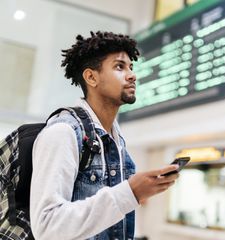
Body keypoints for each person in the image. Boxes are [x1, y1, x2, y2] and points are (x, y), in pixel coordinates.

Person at [30, 31, 179, 240]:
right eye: (119, 67)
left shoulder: (116, 141)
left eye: (131, 67)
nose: (132, 75)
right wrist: (130, 193)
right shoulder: (63, 132)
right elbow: (47, 227)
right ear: (91, 77)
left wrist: (135, 192)